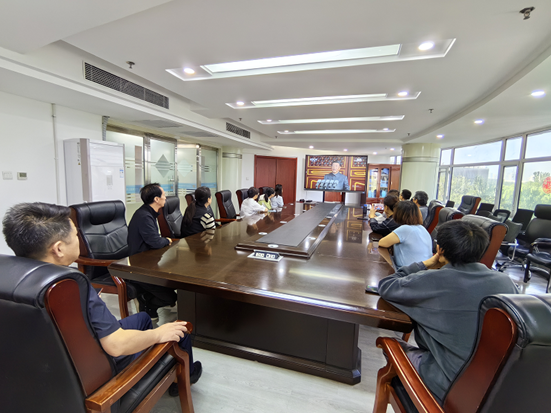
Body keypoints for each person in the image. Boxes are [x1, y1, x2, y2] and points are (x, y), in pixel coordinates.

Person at [2, 202, 202, 392]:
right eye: (76, 235)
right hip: (100, 371)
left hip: (52, 370)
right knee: (180, 330)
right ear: (59, 248)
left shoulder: (10, 279)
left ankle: (152, 362)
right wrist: (158, 334)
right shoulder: (70, 286)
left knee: (142, 318)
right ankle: (184, 377)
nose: (79, 239)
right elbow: (116, 345)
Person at [378, 220, 518, 405]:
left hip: (451, 388)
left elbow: (386, 286)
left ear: (440, 249)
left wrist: (426, 263)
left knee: (393, 345)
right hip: (498, 389)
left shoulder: (433, 280)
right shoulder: (507, 283)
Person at [127, 183, 177, 319]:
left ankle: (147, 301)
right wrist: (166, 240)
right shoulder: (144, 216)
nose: (165, 197)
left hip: (149, 261)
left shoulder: (148, 213)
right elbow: (155, 242)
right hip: (141, 266)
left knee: (173, 286)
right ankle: (146, 302)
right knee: (170, 298)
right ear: (156, 199)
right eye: (164, 195)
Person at [379, 201, 432, 268]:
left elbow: (382, 243)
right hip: (423, 270)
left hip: (408, 272)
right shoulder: (422, 228)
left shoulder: (405, 229)